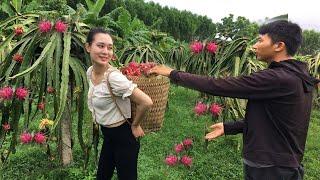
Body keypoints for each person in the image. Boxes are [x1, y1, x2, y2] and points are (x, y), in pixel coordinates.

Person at [149, 20, 320, 179]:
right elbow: (274, 120)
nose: (254, 46)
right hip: (281, 164)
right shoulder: (298, 77)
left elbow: (218, 85)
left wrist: (173, 73)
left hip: (269, 168)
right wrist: (228, 127)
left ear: (278, 46)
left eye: (260, 41)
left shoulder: (278, 78)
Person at [85, 27, 153, 180]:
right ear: (88, 47)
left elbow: (146, 102)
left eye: (110, 48)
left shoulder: (114, 77)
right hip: (108, 135)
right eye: (100, 46)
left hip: (124, 136)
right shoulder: (90, 71)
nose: (106, 52)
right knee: (102, 176)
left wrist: (135, 125)